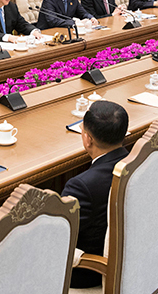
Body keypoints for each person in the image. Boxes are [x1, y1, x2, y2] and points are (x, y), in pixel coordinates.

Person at [61, 100, 129, 289]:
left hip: (89, 274)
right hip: (131, 260)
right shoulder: (139, 165)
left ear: (88, 139)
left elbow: (59, 237)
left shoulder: (82, 186)